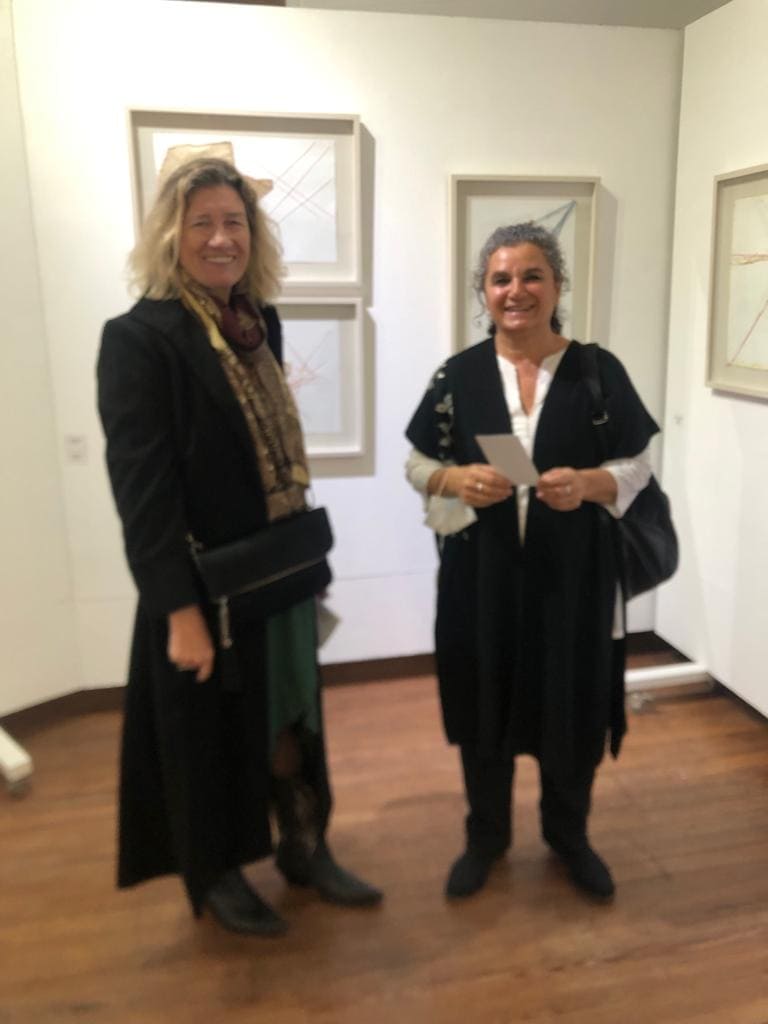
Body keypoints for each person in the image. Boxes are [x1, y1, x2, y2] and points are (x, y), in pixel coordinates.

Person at [97, 153, 381, 937]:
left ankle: (304, 845)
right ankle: (216, 871)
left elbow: (272, 461)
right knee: (208, 737)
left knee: (292, 716)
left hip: (277, 567)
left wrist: (303, 562)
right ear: (170, 235)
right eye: (202, 224)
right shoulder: (139, 339)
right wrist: (177, 611)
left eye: (234, 222)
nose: (220, 238)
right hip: (202, 587)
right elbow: (143, 495)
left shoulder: (256, 322)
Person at [405, 222, 657, 902]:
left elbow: (637, 465)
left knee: (571, 704)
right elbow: (418, 463)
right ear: (484, 292)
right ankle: (485, 837)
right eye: (501, 279)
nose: (516, 290)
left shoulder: (598, 372)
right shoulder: (457, 377)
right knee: (484, 699)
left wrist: (592, 484)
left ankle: (568, 835)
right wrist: (454, 479)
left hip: (574, 580)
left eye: (532, 275)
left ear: (557, 285)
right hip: (479, 579)